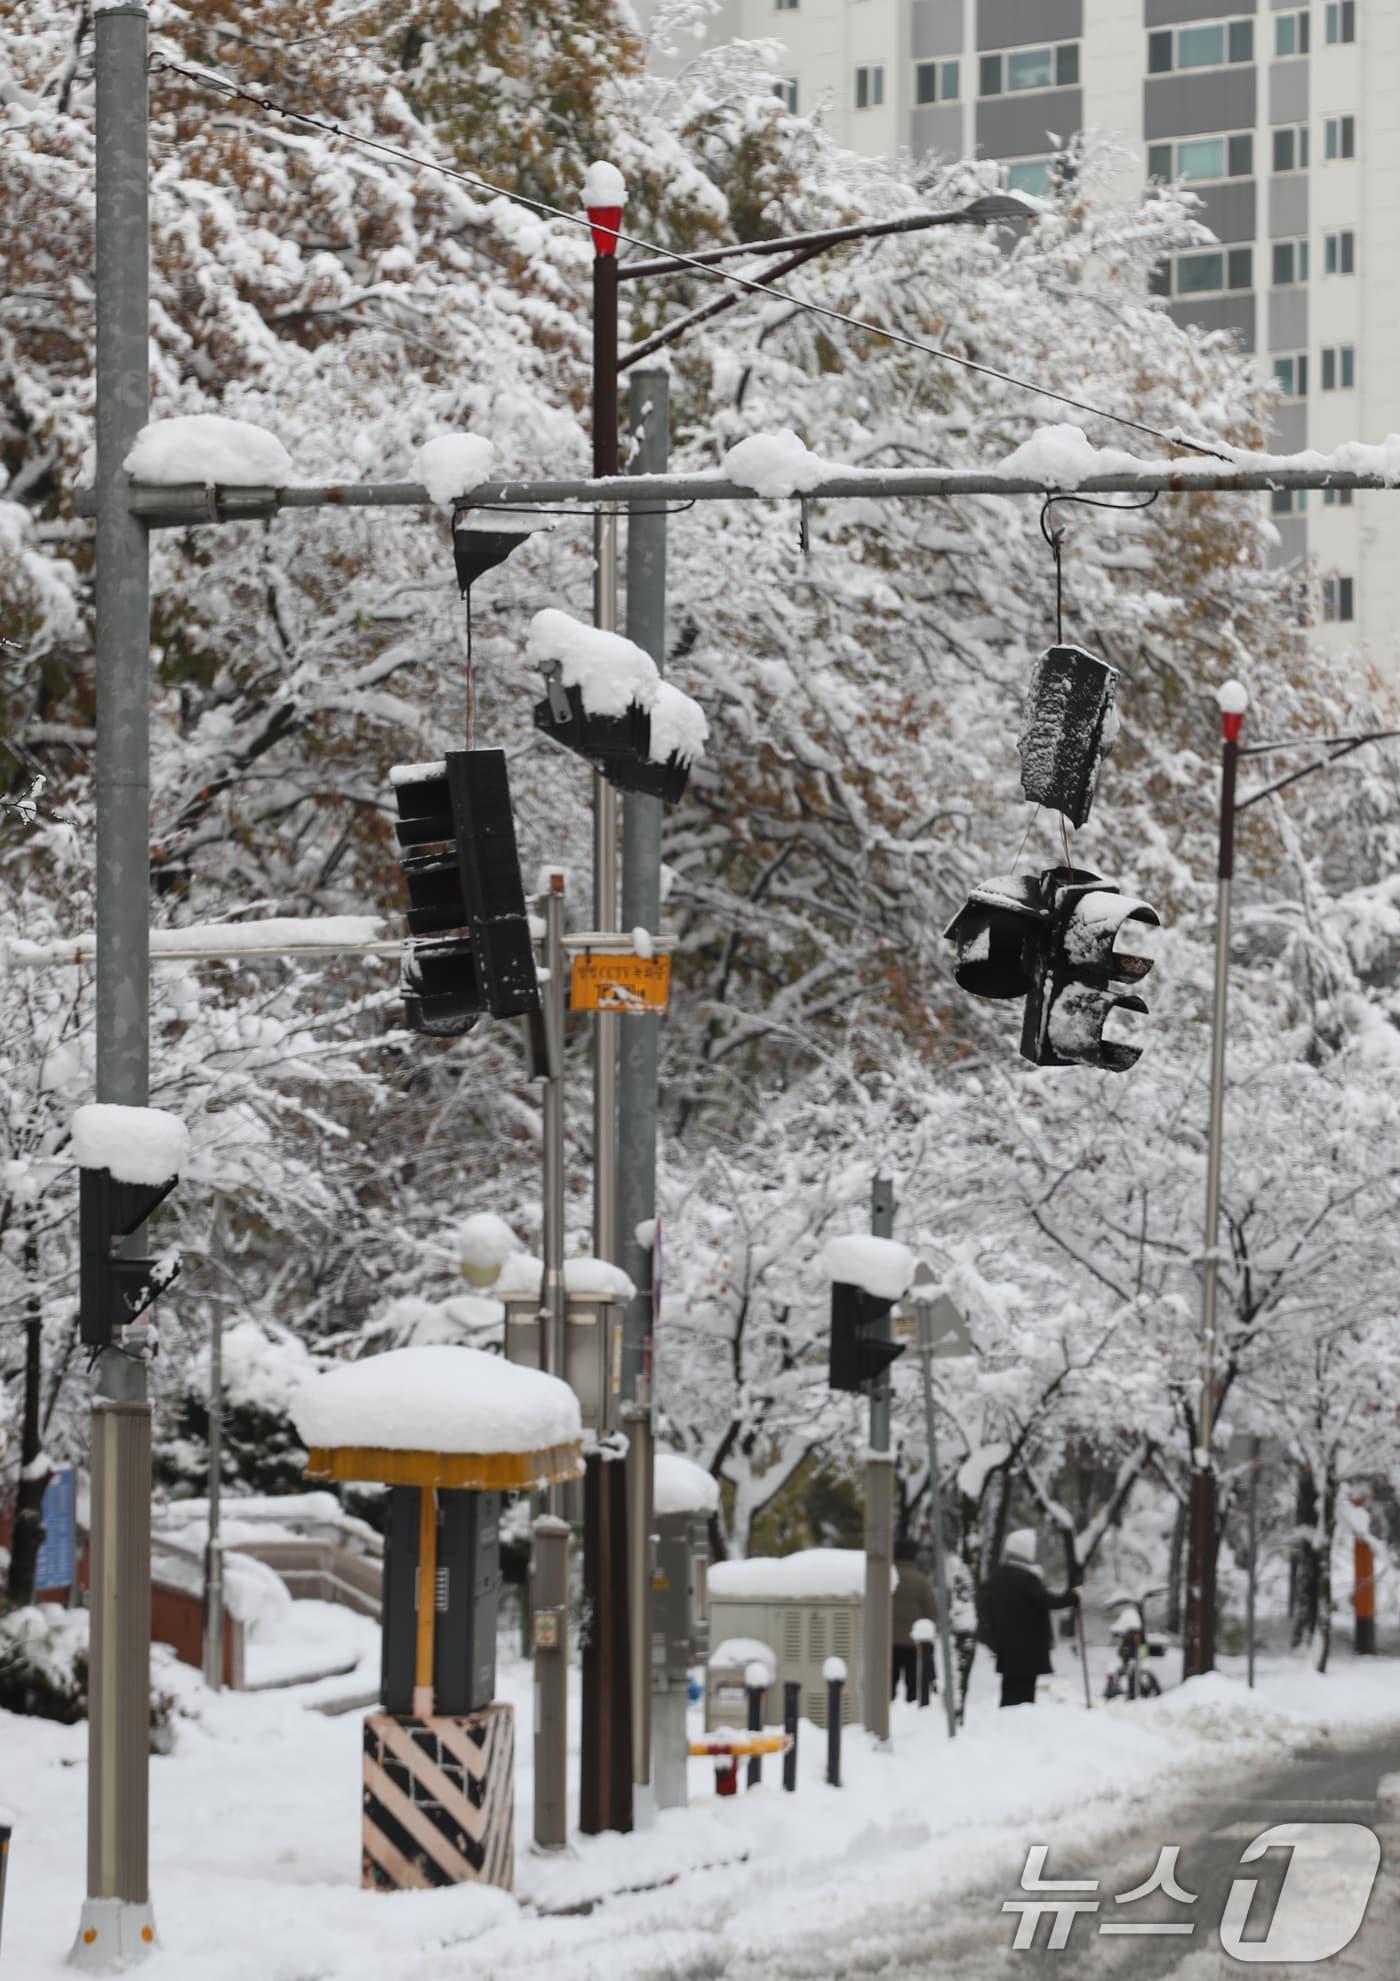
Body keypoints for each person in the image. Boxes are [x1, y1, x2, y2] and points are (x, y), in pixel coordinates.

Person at [977, 1528, 1081, 1708]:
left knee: (1009, 1691)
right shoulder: (1027, 1579)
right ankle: (1020, 1728)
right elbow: (1047, 1601)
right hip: (1027, 1648)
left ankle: (1006, 1723)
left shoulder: (996, 1578)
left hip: (1006, 1647)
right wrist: (1073, 1597)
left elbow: (984, 1608)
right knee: (1025, 1695)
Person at [891, 1536, 939, 1701]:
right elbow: (932, 1613)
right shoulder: (921, 1582)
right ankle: (913, 1710)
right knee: (913, 1685)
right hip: (913, 1643)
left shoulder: (886, 1579)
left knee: (888, 1685)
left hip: (888, 1642)